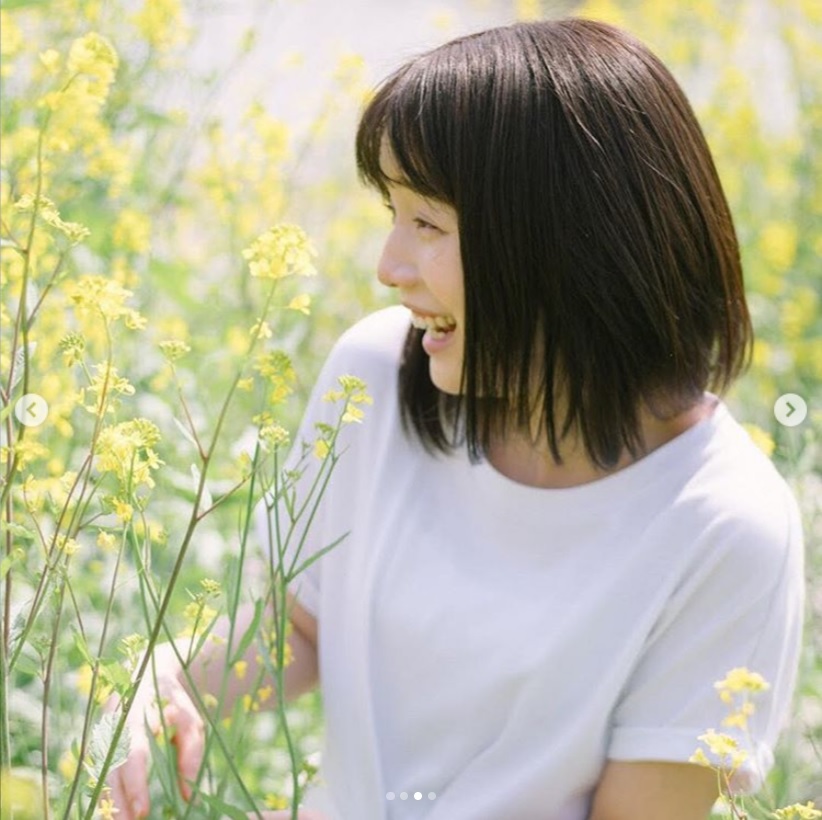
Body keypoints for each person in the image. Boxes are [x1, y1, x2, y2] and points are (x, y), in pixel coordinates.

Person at [110, 17, 805, 820]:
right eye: (392, 215)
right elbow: (304, 632)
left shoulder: (726, 529)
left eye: (427, 225)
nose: (387, 267)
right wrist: (161, 686)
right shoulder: (374, 374)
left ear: (562, 250)